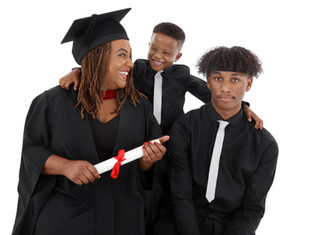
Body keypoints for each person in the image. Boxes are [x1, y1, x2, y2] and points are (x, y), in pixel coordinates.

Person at [58, 22, 264, 234]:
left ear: (178, 57)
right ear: (148, 45)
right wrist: (78, 71)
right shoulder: (136, 69)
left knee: (170, 190)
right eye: (153, 48)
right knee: (140, 188)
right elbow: (106, 70)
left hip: (172, 143)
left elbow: (211, 93)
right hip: (138, 143)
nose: (158, 55)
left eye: (167, 52)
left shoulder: (182, 76)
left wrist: (244, 107)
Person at [12, 8, 169, 235]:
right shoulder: (51, 102)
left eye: (131, 56)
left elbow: (145, 169)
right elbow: (31, 153)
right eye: (122, 55)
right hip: (67, 217)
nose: (130, 63)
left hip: (123, 218)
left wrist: (149, 160)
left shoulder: (138, 106)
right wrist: (67, 167)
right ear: (98, 56)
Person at [169, 46, 278, 235]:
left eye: (235, 79)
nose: (225, 87)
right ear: (208, 81)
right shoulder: (184, 127)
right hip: (183, 221)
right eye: (218, 78)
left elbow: (253, 208)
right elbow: (180, 194)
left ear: (249, 83)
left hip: (232, 226)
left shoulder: (264, 144)